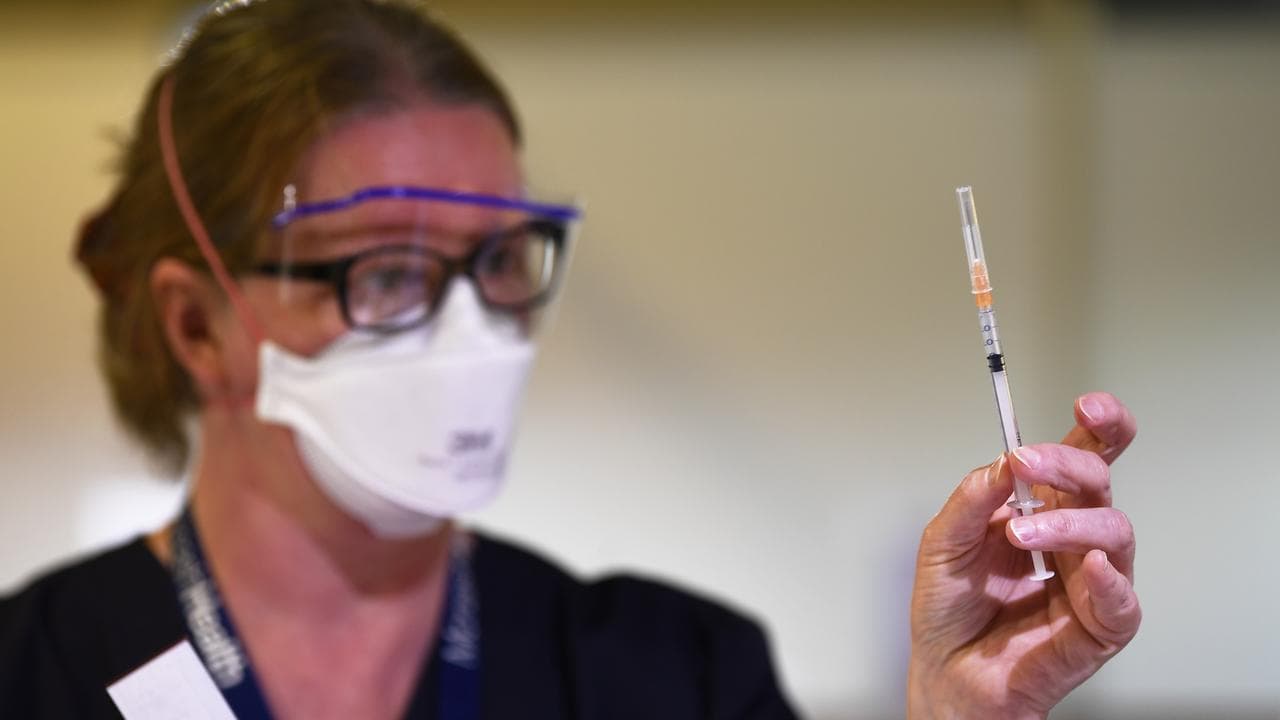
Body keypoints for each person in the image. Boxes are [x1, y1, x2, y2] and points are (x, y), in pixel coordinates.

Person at [0, 1, 1141, 718]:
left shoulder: (669, 674)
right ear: (196, 325)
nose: (472, 330)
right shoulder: (28, 677)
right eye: (386, 275)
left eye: (501, 259)